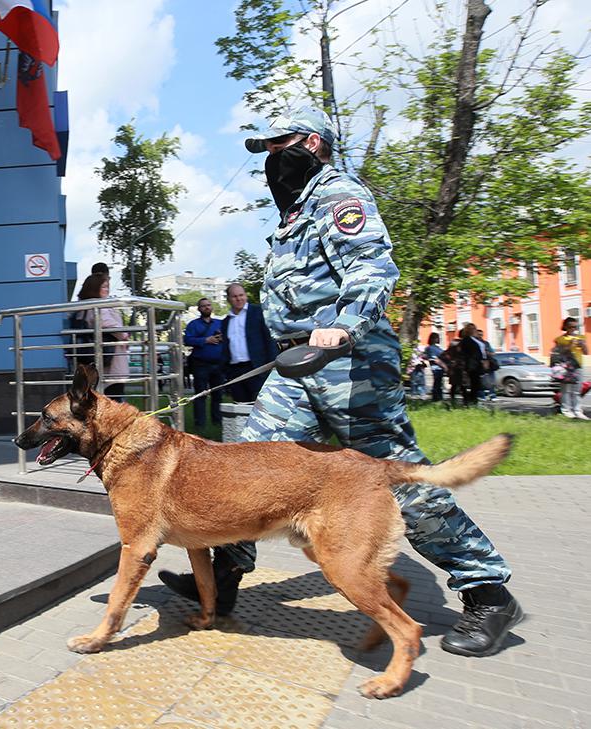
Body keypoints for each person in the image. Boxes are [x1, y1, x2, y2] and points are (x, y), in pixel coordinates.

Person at [159, 106, 522, 657]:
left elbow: (373, 271)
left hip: (349, 363)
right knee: (248, 468)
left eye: (278, 148)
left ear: (310, 142)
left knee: (393, 477)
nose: (271, 162)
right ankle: (223, 582)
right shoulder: (294, 211)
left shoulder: (339, 196)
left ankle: (486, 591)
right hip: (297, 364)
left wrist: (341, 327)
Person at [220, 283, 277, 402]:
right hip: (235, 371)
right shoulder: (226, 322)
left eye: (241, 295)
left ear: (246, 296)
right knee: (240, 406)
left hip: (257, 368)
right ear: (229, 299)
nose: (238, 299)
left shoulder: (258, 312)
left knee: (260, 406)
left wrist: (271, 366)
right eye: (234, 296)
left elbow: (269, 340)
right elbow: (226, 347)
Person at [76, 273, 129, 400]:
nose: (107, 289)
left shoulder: (83, 307)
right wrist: (124, 334)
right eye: (104, 286)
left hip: (97, 361)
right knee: (113, 400)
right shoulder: (100, 306)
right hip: (110, 360)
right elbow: (105, 322)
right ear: (95, 288)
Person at [183, 297, 224, 428]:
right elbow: (187, 340)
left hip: (218, 364)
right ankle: (200, 423)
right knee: (200, 394)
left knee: (218, 394)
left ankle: (217, 421)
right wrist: (206, 340)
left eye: (209, 305)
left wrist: (222, 338)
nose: (207, 307)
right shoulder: (193, 325)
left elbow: (229, 337)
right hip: (200, 364)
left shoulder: (220, 323)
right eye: (203, 306)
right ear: (199, 309)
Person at [553, 316, 588, 419]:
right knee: (566, 390)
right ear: (565, 327)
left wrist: (583, 345)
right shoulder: (560, 339)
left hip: (578, 365)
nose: (573, 329)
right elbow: (558, 352)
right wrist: (569, 345)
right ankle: (566, 410)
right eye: (570, 327)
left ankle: (578, 411)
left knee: (577, 390)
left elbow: (586, 352)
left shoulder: (580, 337)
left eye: (575, 327)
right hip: (566, 367)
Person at [458, 323, 485, 406]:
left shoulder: (475, 339)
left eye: (474, 328)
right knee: (473, 384)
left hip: (476, 364)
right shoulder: (466, 340)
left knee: (475, 384)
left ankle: (471, 400)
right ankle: (471, 400)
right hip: (471, 365)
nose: (474, 330)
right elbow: (464, 353)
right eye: (472, 329)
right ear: (468, 330)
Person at [475, 328, 497, 401]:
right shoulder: (474, 343)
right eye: (478, 335)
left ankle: (492, 395)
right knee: (481, 381)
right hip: (480, 364)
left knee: (491, 381)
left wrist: (488, 353)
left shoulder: (486, 343)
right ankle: (481, 395)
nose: (480, 336)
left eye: (481, 335)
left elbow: (493, 352)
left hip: (489, 364)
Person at [424, 332, 446, 401]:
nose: (438, 339)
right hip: (437, 367)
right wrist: (444, 366)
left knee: (439, 383)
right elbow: (435, 359)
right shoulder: (430, 348)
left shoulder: (436, 347)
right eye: (436, 337)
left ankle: (438, 398)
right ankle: (436, 398)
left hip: (439, 367)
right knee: (437, 383)